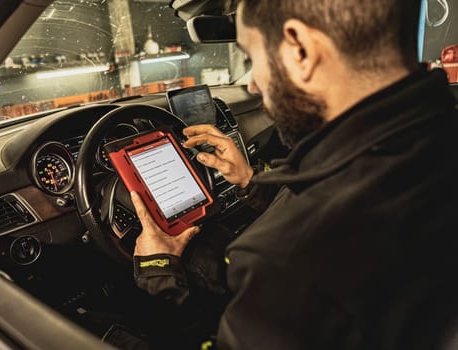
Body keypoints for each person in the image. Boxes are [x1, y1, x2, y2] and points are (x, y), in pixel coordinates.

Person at [131, 0, 458, 349]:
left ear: (300, 49)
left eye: (253, 57)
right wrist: (250, 181)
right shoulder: (438, 134)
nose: (254, 85)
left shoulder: (288, 266)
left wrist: (159, 276)